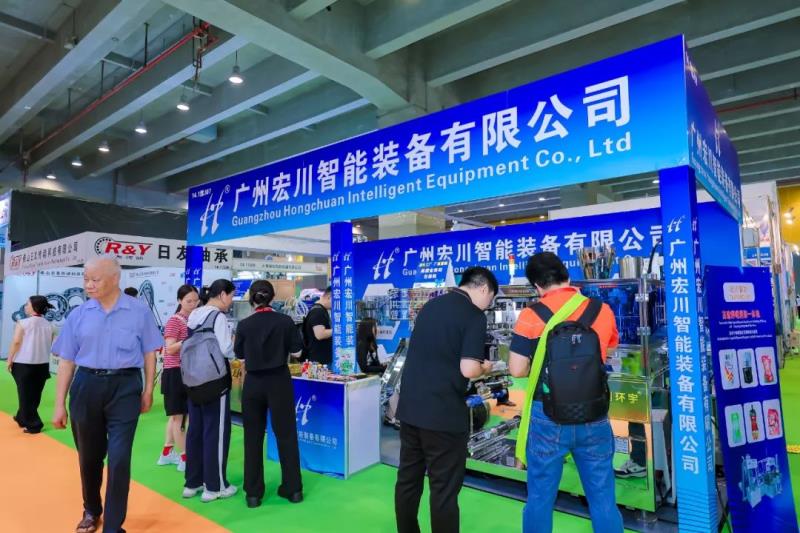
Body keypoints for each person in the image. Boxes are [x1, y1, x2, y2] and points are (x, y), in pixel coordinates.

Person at [508, 252, 622, 533]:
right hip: (594, 411)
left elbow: (517, 370)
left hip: (547, 413)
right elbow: (608, 352)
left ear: (537, 286)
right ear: (568, 277)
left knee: (540, 497)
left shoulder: (531, 315)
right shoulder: (601, 310)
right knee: (603, 498)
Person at [51, 257, 163, 533]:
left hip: (126, 387)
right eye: (85, 279)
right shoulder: (79, 314)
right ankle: (91, 510)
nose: (88, 285)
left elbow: (150, 353)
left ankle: (113, 525)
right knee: (89, 457)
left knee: (120, 457)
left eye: (95, 279)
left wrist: (148, 389)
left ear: (115, 278)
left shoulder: (139, 312)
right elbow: (66, 361)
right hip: (86, 385)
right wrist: (59, 404)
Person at [395, 267, 497, 533]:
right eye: (490, 299)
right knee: (444, 489)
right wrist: (485, 368)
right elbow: (468, 369)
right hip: (443, 414)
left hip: (411, 408)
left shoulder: (430, 306)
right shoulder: (473, 315)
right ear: (483, 288)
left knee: (408, 479)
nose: (488, 306)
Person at [234, 280, 304, 509]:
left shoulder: (244, 325)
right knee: (286, 434)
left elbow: (240, 356)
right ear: (273, 298)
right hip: (279, 381)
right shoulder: (285, 321)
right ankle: (293, 489)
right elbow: (297, 352)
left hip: (253, 383)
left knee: (252, 437)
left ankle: (253, 494)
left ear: (251, 298)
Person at [182, 279, 237, 503]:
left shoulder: (194, 314)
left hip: (192, 379)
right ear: (222, 294)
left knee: (195, 430)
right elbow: (226, 349)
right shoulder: (218, 317)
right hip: (215, 381)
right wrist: (235, 343)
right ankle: (215, 486)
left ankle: (192, 482)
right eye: (231, 296)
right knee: (217, 432)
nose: (231, 301)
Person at [157, 285, 200, 472]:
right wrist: (193, 339)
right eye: (189, 301)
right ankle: (184, 458)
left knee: (177, 416)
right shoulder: (175, 321)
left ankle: (167, 453)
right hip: (175, 373)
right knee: (179, 419)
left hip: (185, 372)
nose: (193, 304)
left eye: (196, 300)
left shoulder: (192, 320)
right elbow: (170, 348)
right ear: (179, 301)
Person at [7, 295, 55, 434]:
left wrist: (10, 359)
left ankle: (34, 424)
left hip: (23, 363)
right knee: (34, 394)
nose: (25, 306)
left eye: (27, 304)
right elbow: (52, 345)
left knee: (25, 394)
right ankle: (22, 417)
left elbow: (16, 342)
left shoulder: (23, 323)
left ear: (34, 306)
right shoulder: (50, 325)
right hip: (42, 365)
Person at [304, 287, 332, 365]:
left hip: (320, 358)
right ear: (329, 297)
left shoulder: (320, 310)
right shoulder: (317, 312)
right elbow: (320, 334)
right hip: (319, 360)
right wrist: (339, 329)